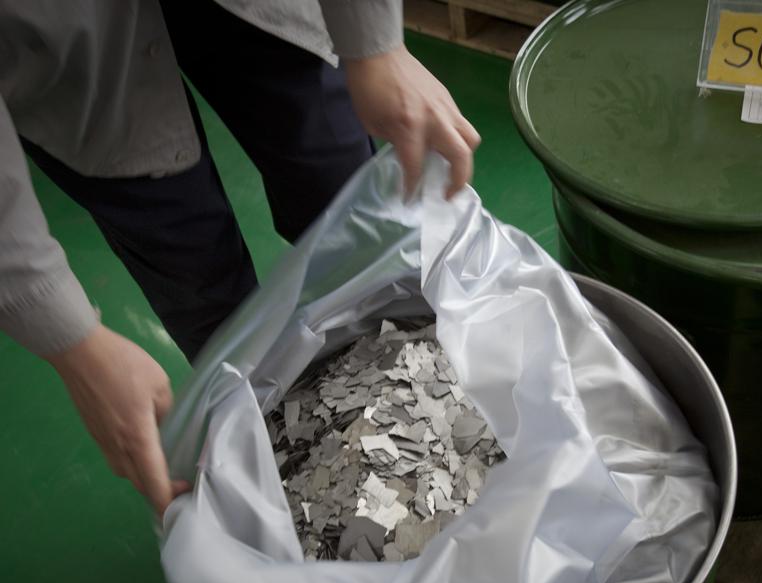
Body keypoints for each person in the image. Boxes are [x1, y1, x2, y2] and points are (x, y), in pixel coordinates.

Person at [0, 0, 480, 515]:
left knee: (347, 204)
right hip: (67, 59)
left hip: (261, 11)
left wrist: (376, 44)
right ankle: (283, 452)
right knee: (207, 295)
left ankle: (403, 372)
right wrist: (69, 338)